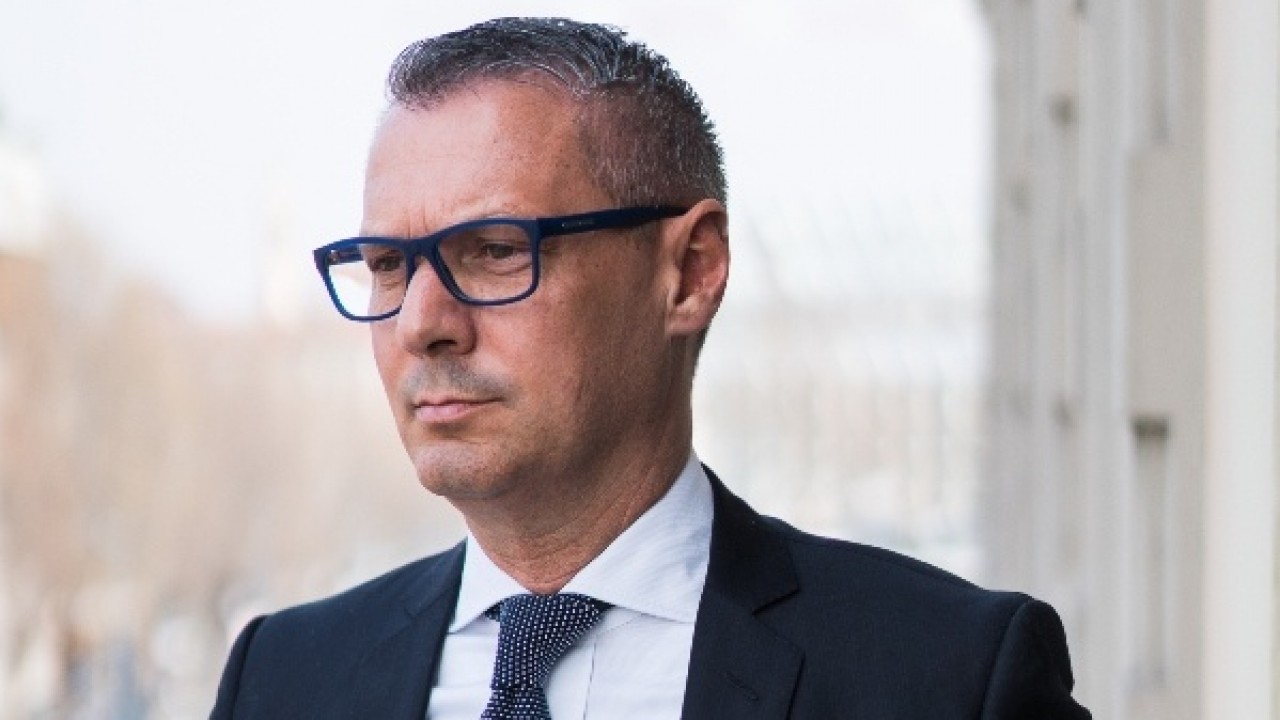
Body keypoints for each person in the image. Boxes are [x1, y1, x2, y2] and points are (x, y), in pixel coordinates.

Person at [211, 17, 1090, 719]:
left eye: (494, 251)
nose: (421, 323)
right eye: (389, 265)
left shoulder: (946, 677)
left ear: (691, 273)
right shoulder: (283, 680)